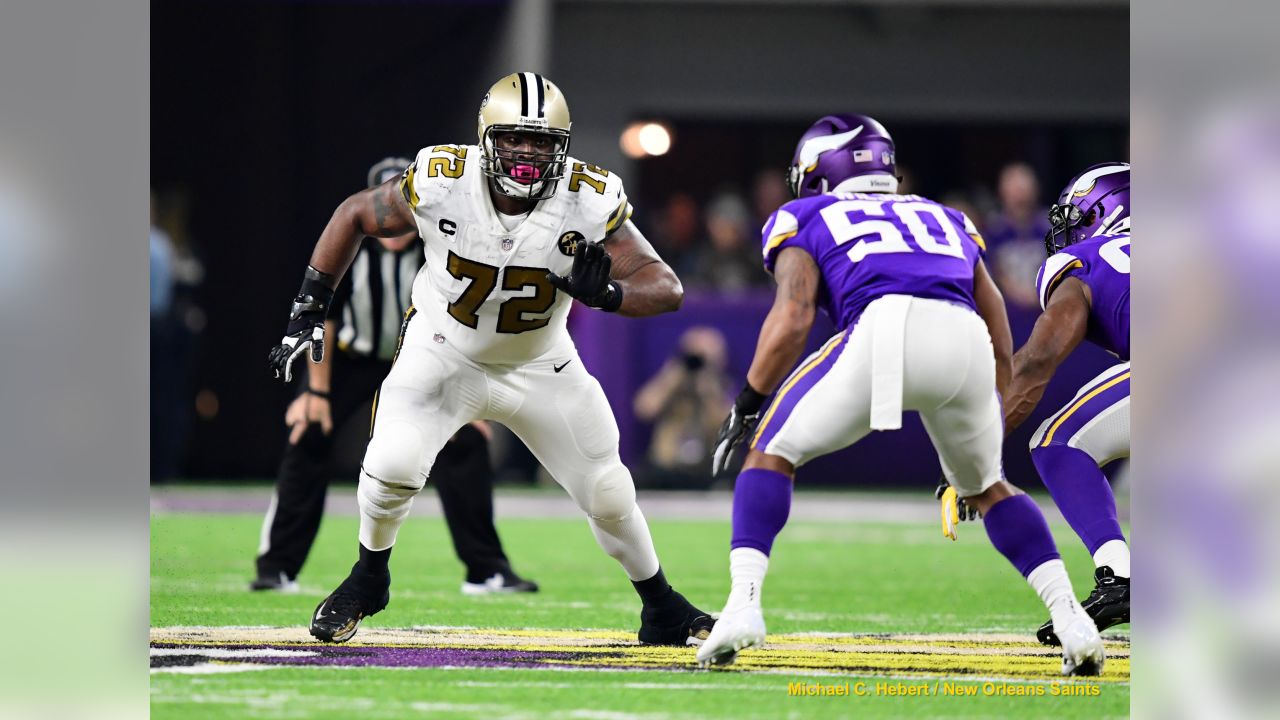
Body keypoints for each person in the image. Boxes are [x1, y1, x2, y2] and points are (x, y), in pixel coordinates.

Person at [266, 72, 714, 646]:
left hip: (539, 362)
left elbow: (666, 286)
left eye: (543, 141)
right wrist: (310, 305)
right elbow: (355, 214)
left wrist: (610, 295)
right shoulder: (442, 180)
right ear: (486, 140)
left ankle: (663, 607)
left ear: (564, 145)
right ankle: (368, 576)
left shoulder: (587, 196)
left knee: (607, 489)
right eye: (514, 139)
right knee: (393, 464)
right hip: (442, 352)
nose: (528, 154)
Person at [696, 114, 1104, 676]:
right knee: (988, 487)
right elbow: (994, 317)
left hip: (882, 327)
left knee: (769, 453)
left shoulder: (805, 213)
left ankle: (741, 608)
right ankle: (1072, 620)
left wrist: (747, 401)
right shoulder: (946, 216)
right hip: (964, 338)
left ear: (819, 169)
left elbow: (792, 317)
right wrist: (996, 394)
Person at [253, 158, 537, 597]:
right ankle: (276, 567)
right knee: (309, 431)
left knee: (468, 442)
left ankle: (486, 569)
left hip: (424, 358)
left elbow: (467, 318)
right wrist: (317, 392)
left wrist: (471, 393)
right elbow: (324, 320)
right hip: (352, 354)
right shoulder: (352, 244)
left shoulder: (444, 242)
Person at [995, 162, 1131, 646]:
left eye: (1076, 218)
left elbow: (1036, 362)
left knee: (1057, 441)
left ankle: (1119, 577)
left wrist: (973, 456)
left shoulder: (1084, 261)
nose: (1068, 232)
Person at [633, 326, 733, 488]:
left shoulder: (722, 388)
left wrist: (708, 390)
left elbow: (728, 428)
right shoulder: (671, 384)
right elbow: (644, 410)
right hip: (666, 469)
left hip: (706, 473)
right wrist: (670, 379)